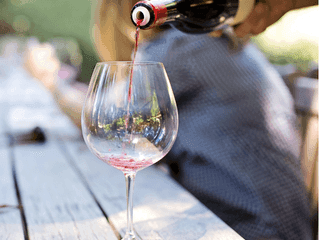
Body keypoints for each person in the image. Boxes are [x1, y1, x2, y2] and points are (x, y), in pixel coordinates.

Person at [24, 0, 318, 239]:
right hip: (271, 221)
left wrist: (50, 83)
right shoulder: (203, 39)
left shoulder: (184, 45)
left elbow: (106, 120)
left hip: (250, 227)